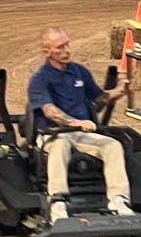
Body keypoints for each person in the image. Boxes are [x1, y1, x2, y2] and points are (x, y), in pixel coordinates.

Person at [28, 27, 135, 224]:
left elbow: (100, 98)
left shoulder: (79, 72)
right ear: (47, 52)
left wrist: (121, 90)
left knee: (113, 145)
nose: (67, 50)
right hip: (52, 134)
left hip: (80, 133)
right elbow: (49, 111)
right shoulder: (39, 79)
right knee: (61, 145)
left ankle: (118, 200)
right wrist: (76, 123)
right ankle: (57, 201)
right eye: (60, 47)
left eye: (67, 44)